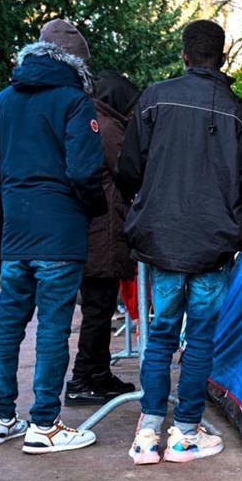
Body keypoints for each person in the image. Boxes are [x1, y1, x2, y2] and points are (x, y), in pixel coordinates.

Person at [116, 19, 242, 465]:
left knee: (160, 333)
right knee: (200, 339)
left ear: (184, 54)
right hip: (212, 245)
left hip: (162, 241)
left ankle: (147, 433)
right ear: (221, 57)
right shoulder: (240, 112)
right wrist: (235, 237)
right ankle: (184, 433)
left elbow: (127, 169)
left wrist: (148, 211)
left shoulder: (153, 99)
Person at [0, 19, 105, 453]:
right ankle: (44, 424)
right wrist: (87, 207)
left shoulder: (3, 100)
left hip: (17, 233)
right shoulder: (75, 101)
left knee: (8, 324)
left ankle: (0, 417)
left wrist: (18, 197)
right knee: (53, 327)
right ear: (77, 64)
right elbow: (86, 171)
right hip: (61, 234)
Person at [65, 70, 140, 405]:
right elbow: (129, 171)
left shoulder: (89, 119)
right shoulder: (106, 126)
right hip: (104, 229)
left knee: (101, 306)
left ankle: (98, 375)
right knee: (98, 309)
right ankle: (83, 379)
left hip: (95, 229)